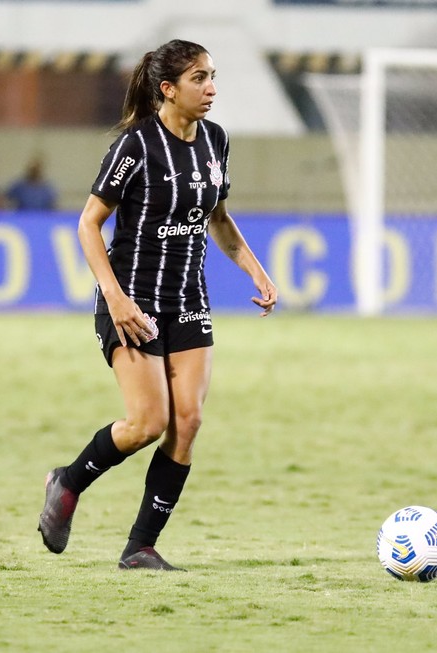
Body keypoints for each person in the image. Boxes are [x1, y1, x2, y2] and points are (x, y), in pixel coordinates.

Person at [37, 39, 278, 571]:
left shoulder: (216, 141)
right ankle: (67, 481)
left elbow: (217, 217)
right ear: (168, 89)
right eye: (199, 78)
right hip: (134, 300)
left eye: (213, 76)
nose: (211, 88)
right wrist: (115, 298)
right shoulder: (137, 145)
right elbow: (88, 223)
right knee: (148, 422)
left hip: (189, 300)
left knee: (187, 421)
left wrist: (256, 270)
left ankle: (140, 546)